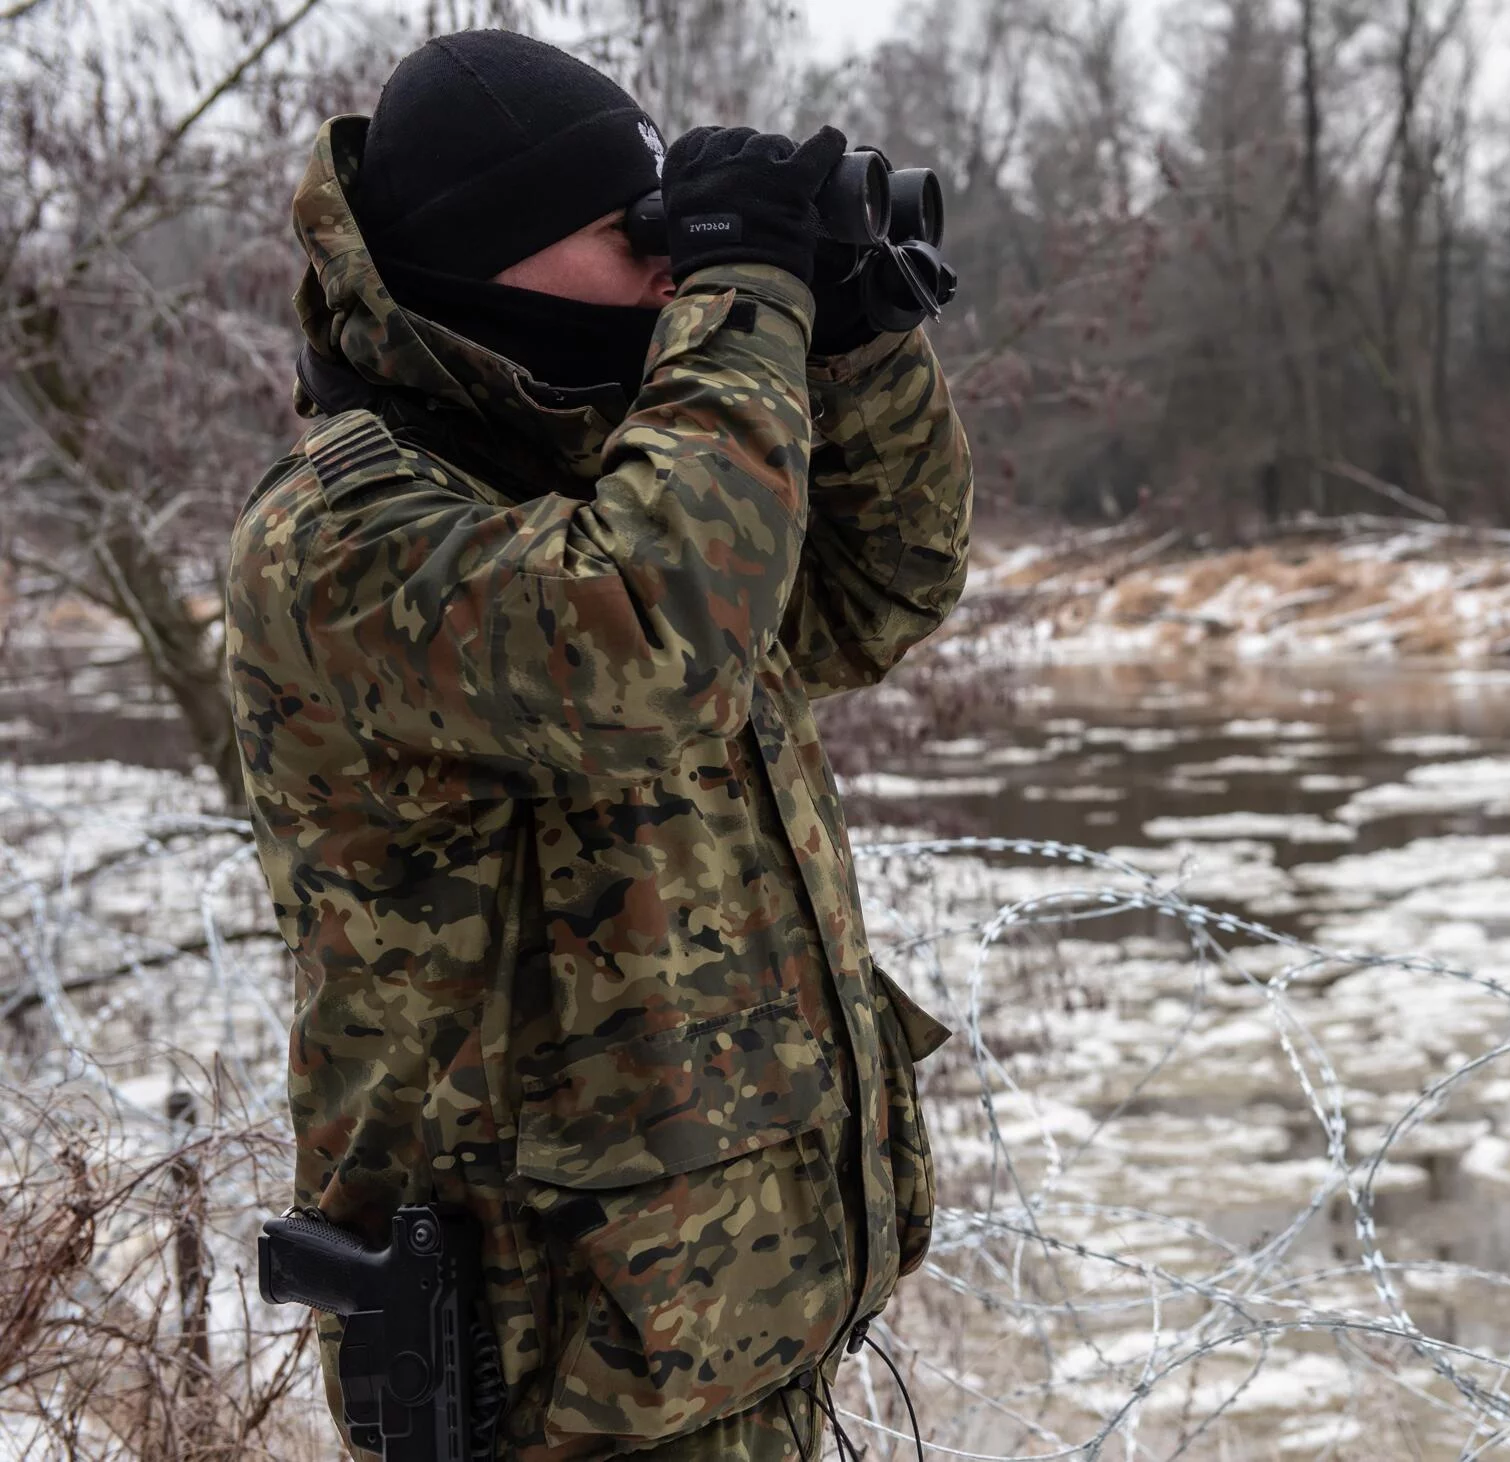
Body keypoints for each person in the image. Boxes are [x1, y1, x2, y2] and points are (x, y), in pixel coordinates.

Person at [224, 28, 971, 1460]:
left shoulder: (628, 471)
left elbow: (883, 585)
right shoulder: (333, 537)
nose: (667, 273)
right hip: (549, 1378)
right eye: (634, 236)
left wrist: (856, 342)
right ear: (498, 255)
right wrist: (745, 296)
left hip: (725, 1326)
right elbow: (648, 642)